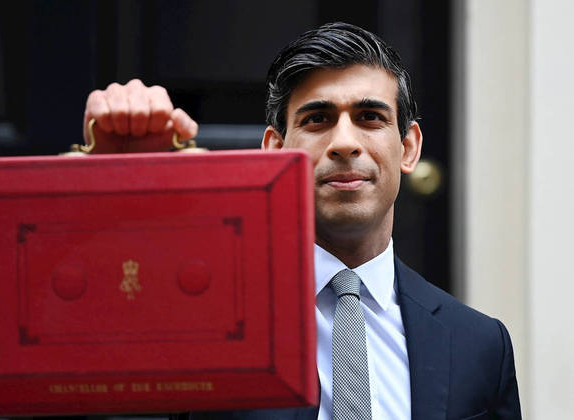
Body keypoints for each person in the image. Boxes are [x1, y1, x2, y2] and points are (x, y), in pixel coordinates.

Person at [82, 22, 521, 420]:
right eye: (318, 119)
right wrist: (122, 196)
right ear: (274, 149)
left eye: (370, 117)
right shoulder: (198, 324)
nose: (345, 142)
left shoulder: (480, 346)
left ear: (408, 148)